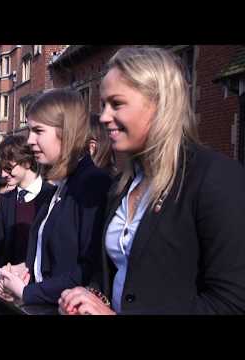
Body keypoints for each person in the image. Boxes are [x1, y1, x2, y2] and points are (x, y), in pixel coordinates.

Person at [59, 46, 245, 315]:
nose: (104, 117)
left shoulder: (216, 179)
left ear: (159, 103)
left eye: (117, 103)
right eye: (102, 105)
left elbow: (231, 303)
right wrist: (88, 297)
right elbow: (118, 275)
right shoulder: (121, 187)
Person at [0, 88, 111, 306]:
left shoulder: (92, 183)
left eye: (38, 131)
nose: (29, 140)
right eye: (29, 130)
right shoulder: (60, 185)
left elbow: (88, 271)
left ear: (66, 132)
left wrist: (27, 292)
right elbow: (46, 262)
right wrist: (15, 273)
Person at [0, 134, 56, 295]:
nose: (3, 175)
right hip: (9, 293)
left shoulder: (52, 196)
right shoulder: (6, 201)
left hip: (41, 293)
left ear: (27, 162)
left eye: (8, 168)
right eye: (1, 169)